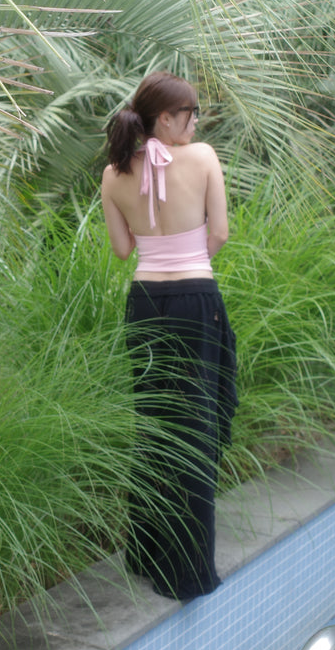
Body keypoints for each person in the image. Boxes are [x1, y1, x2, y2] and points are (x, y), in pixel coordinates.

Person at [101, 70, 237, 602]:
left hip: (145, 306)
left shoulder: (114, 175)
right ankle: (188, 572)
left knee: (156, 427)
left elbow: (120, 249)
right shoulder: (202, 158)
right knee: (196, 430)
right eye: (191, 113)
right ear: (165, 118)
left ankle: (147, 554)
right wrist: (190, 262)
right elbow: (219, 232)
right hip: (195, 301)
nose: (197, 121)